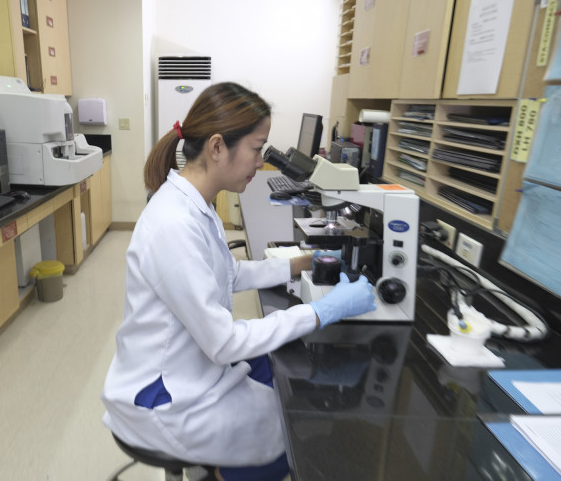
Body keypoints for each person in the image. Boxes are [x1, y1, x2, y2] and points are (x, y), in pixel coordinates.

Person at [101, 82, 375, 481]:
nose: (261, 162)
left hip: (189, 363)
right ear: (217, 147)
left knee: (281, 373)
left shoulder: (196, 202)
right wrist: (322, 311)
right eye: (257, 148)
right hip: (164, 398)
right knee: (288, 431)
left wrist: (298, 264)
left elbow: (225, 273)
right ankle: (215, 473)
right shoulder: (173, 224)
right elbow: (224, 342)